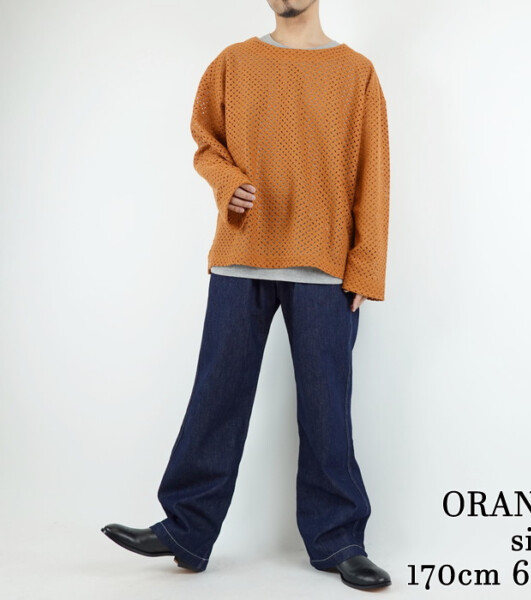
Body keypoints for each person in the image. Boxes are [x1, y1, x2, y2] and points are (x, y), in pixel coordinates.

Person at [102, 0, 391, 591]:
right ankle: (186, 529)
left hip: (325, 265)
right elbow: (206, 140)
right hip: (241, 256)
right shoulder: (233, 63)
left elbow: (374, 172)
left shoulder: (356, 72)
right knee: (217, 396)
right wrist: (227, 182)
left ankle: (340, 540)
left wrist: (366, 267)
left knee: (326, 410)